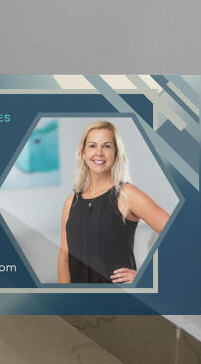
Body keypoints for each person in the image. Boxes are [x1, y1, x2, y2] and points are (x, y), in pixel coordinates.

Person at [57, 120, 171, 285]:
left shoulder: (127, 194)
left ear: (116, 153)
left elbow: (179, 233)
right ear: (83, 153)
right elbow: (64, 259)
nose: (99, 152)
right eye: (92, 146)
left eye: (107, 146)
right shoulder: (70, 203)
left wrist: (147, 274)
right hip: (80, 306)